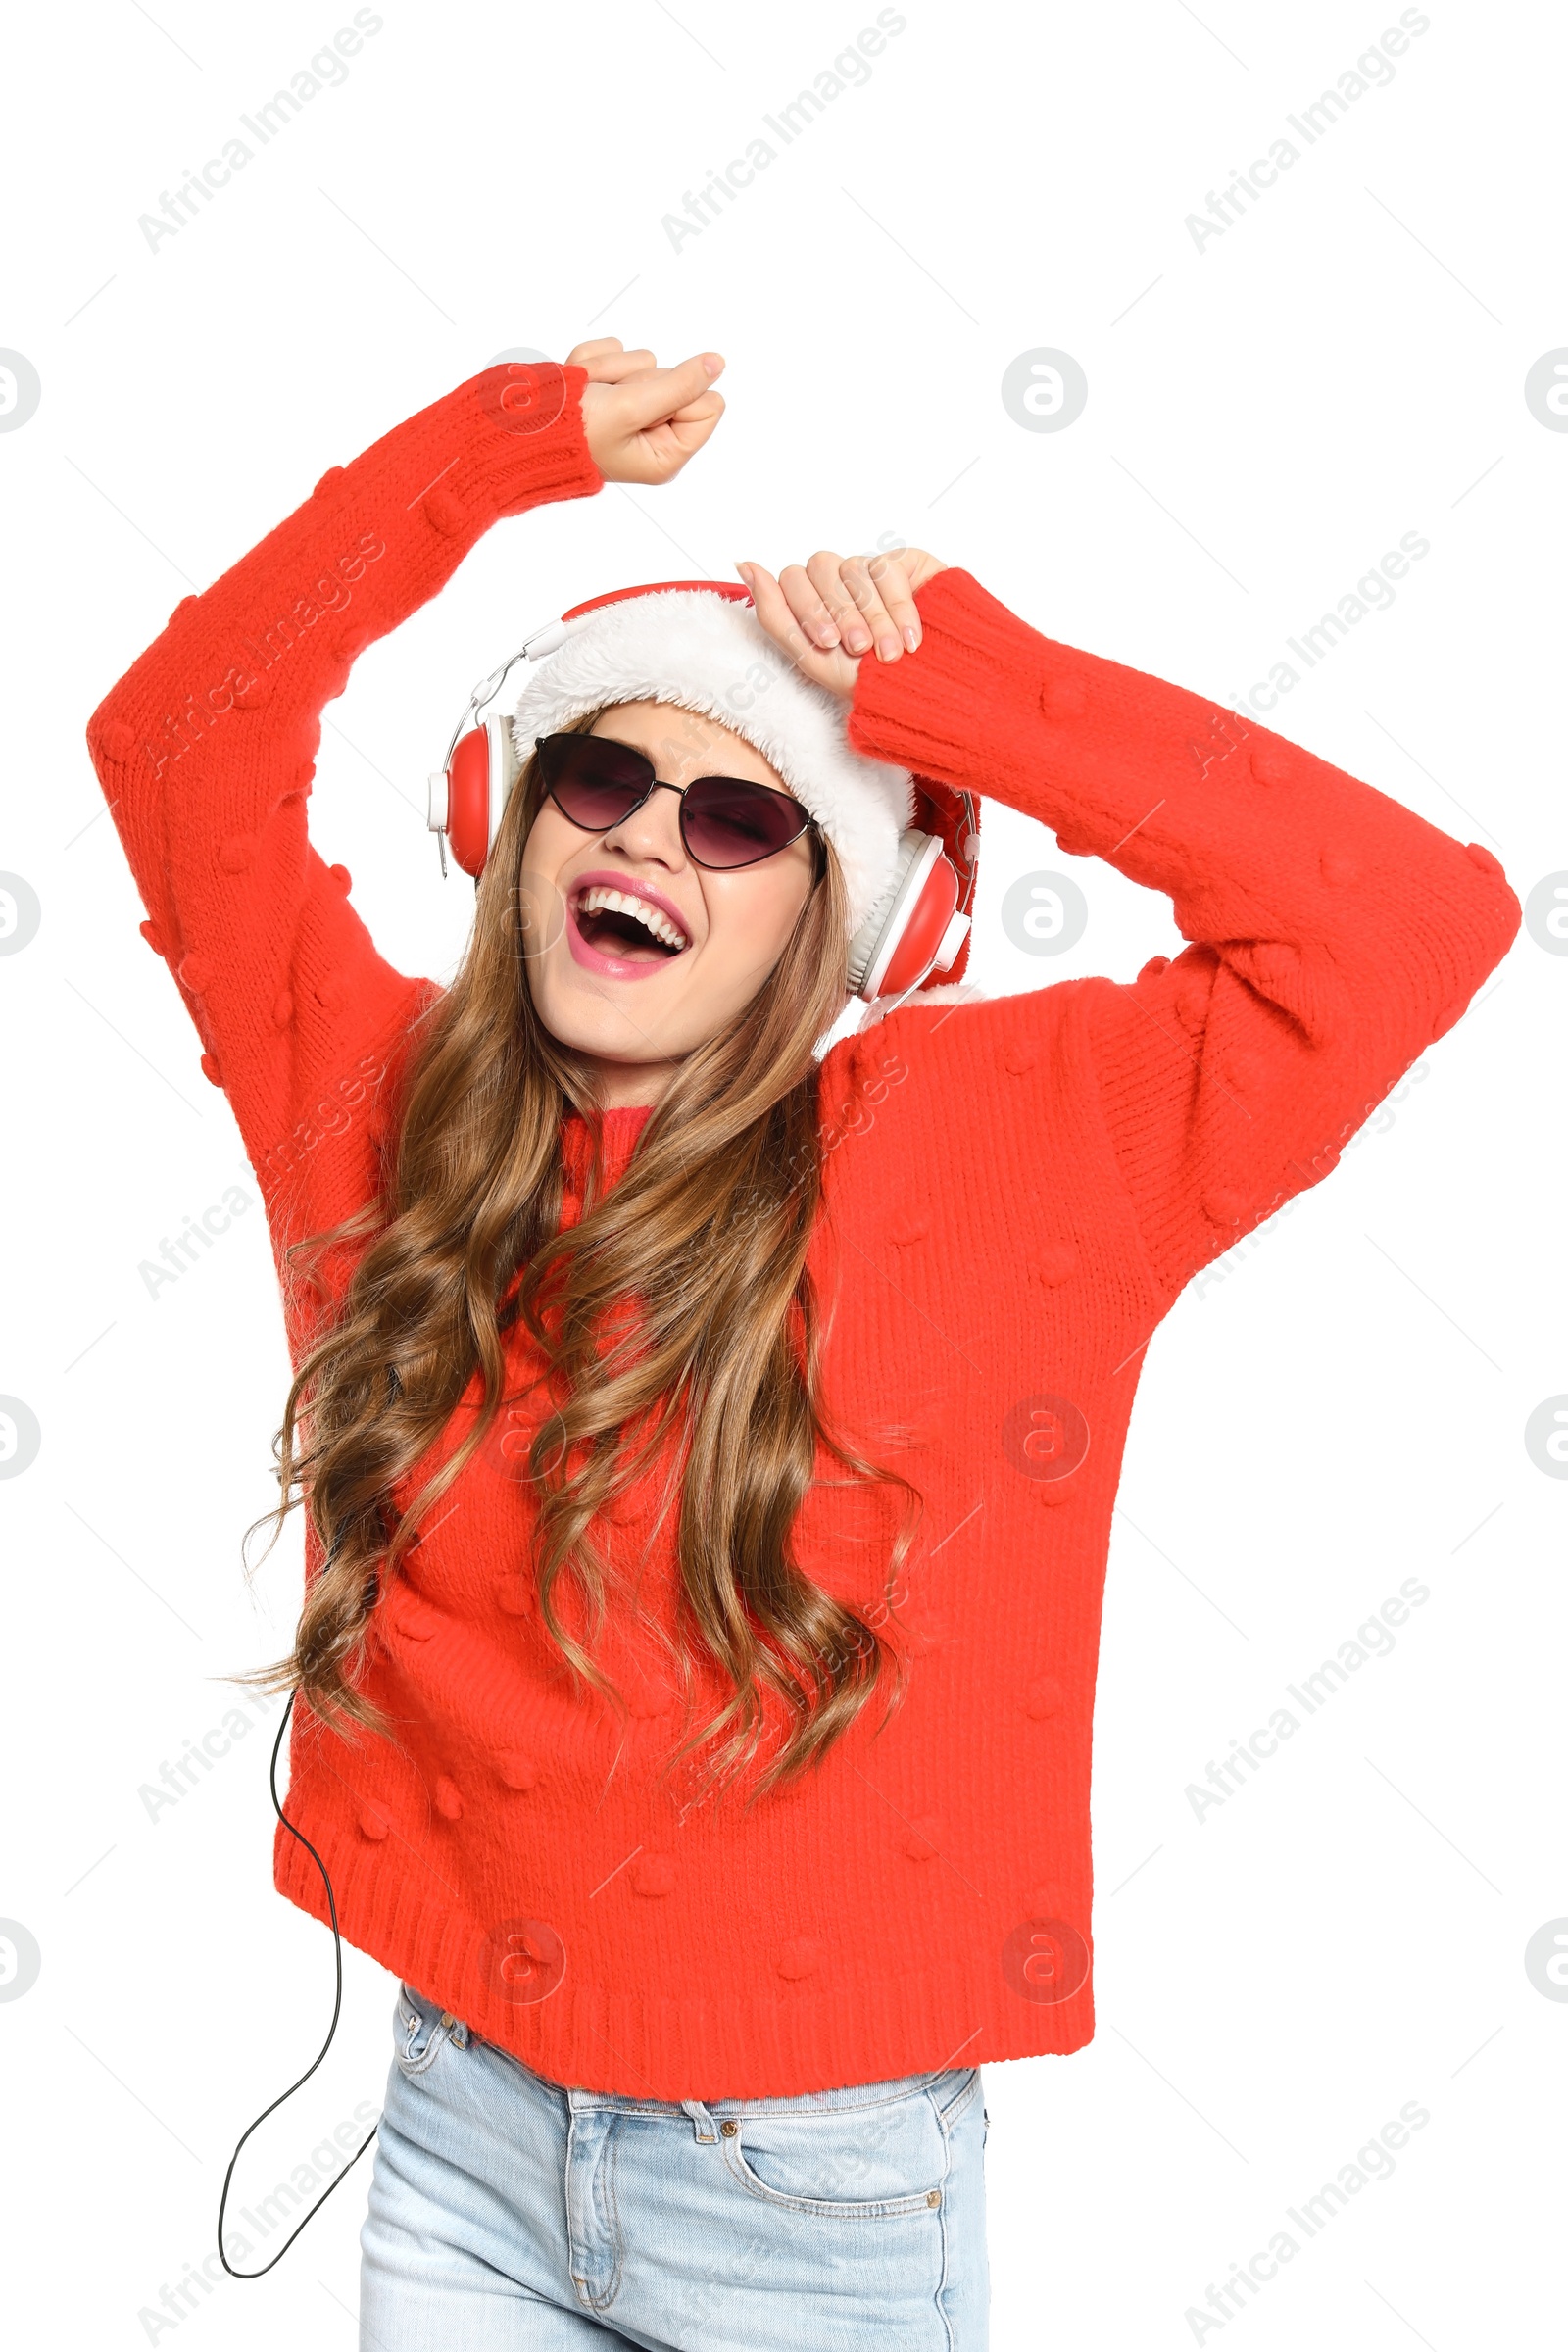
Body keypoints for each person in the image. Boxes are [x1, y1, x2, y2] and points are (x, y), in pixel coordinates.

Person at [86, 339, 1519, 2350]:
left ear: (844, 926)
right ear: (510, 824)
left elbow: (1404, 924)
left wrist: (958, 686)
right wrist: (490, 459)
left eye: (744, 813)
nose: (650, 838)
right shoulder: (374, 1102)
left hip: (810, 2189)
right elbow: (176, 741)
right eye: (599, 775)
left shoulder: (1000, 1153)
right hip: (456, 2132)